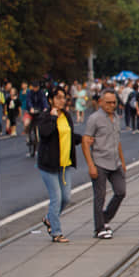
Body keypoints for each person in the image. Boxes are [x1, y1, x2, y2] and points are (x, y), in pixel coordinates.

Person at [82, 89, 128, 240]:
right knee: (99, 196)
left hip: (115, 162)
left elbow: (117, 140)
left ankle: (105, 218)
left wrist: (122, 161)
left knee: (121, 191)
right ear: (101, 102)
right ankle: (99, 228)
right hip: (100, 161)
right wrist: (90, 165)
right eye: (108, 102)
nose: (111, 105)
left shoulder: (116, 117)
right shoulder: (94, 119)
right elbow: (85, 141)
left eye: (114, 102)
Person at [37, 87, 81, 244]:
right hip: (49, 165)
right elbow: (45, 133)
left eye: (64, 98)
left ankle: (49, 219)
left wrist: (82, 139)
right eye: (59, 98)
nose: (62, 100)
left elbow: (68, 135)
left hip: (64, 165)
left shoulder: (67, 116)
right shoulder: (45, 116)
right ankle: (56, 232)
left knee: (66, 198)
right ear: (51, 100)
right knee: (56, 198)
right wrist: (53, 118)